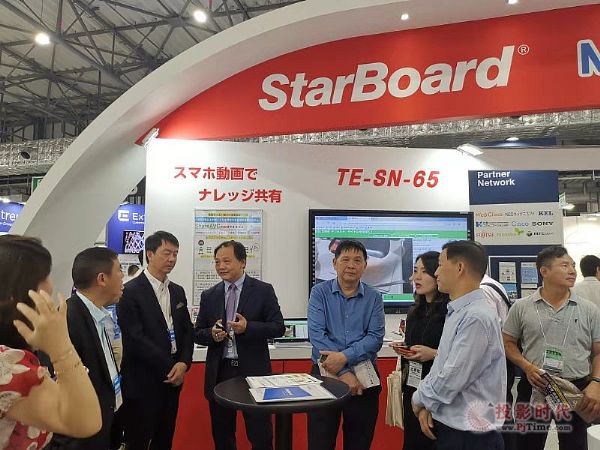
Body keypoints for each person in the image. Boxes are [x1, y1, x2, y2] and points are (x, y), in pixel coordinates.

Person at [0, 234, 101, 449]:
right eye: (45, 276)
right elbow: (86, 422)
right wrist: (61, 347)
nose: (51, 286)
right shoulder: (7, 366)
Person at [503, 246, 600, 450]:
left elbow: (598, 351)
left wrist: (596, 382)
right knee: (527, 444)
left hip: (576, 388)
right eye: (564, 265)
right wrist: (526, 366)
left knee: (575, 445)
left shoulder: (589, 309)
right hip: (535, 385)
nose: (572, 270)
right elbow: (507, 342)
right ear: (544, 271)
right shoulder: (521, 307)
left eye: (573, 265)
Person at [412, 240, 506, 449]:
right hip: (453, 427)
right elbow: (442, 365)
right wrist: (430, 404)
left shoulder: (476, 317)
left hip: (471, 434)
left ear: (460, 267)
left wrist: (419, 399)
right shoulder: (458, 311)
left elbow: (453, 376)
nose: (436, 272)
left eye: (440, 264)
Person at [194, 240, 285, 450]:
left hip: (253, 372)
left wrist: (248, 327)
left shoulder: (263, 290)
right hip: (220, 372)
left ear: (243, 262)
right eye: (217, 262)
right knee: (223, 434)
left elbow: (278, 327)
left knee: (260, 434)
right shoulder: (209, 295)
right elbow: (197, 333)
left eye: (226, 261)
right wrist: (212, 334)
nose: (221, 266)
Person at [117, 231, 194, 450]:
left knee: (165, 437)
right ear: (150, 254)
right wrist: (171, 366)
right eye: (166, 253)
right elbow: (135, 338)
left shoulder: (177, 291)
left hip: (173, 380)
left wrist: (183, 363)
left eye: (175, 254)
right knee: (138, 440)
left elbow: (187, 331)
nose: (172, 259)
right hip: (143, 380)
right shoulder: (129, 292)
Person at [307, 239, 385, 450]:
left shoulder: (374, 297)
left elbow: (375, 338)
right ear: (334, 263)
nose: (351, 265)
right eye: (345, 259)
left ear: (365, 265)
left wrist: (343, 358)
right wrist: (343, 372)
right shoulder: (319, 293)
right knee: (320, 441)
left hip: (364, 379)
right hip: (324, 376)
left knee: (359, 442)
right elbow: (317, 335)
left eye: (357, 260)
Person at [47, 247, 124, 450]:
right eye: (119, 270)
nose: (123, 277)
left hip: (103, 428)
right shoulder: (68, 318)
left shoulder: (97, 314)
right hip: (81, 439)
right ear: (102, 279)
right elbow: (60, 390)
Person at [391, 251, 449, 450]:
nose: (416, 277)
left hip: (438, 390)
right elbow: (416, 343)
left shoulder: (450, 312)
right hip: (412, 387)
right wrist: (404, 348)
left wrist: (432, 353)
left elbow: (460, 356)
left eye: (424, 272)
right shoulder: (414, 311)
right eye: (415, 271)